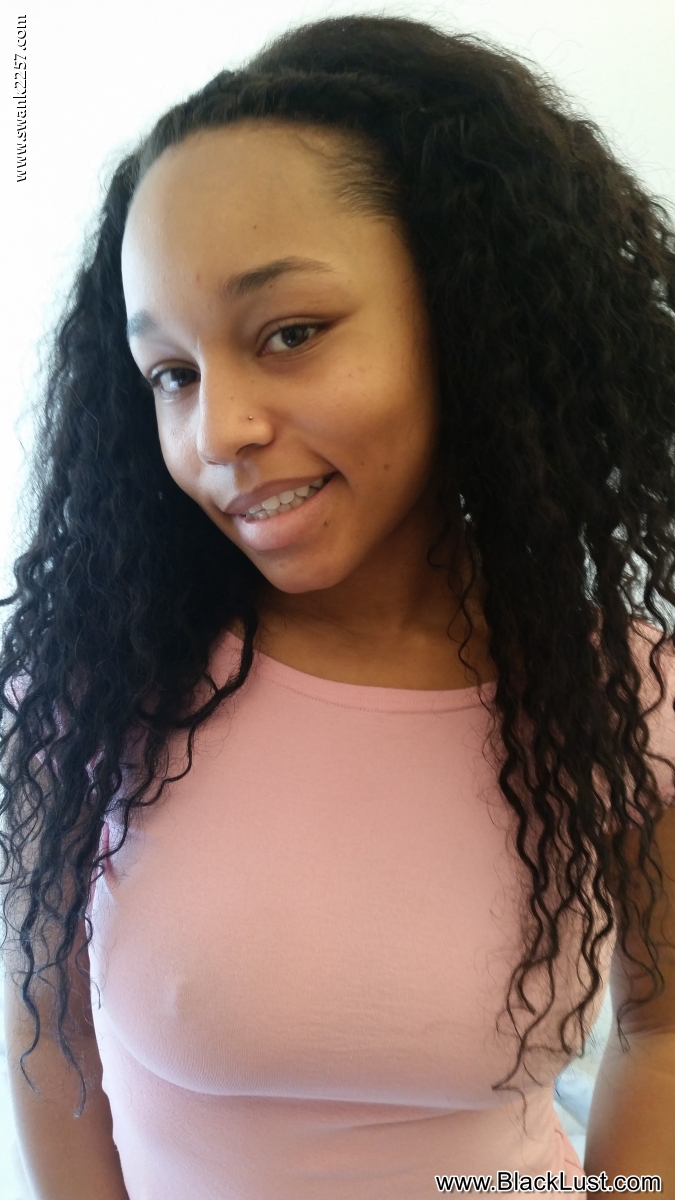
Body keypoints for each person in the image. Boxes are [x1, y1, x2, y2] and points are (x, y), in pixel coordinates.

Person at [2, 14, 675, 1199]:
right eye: (173, 374)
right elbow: (41, 1022)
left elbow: (661, 1028)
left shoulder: (623, 698)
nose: (219, 431)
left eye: (291, 334)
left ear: (465, 320)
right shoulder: (100, 676)